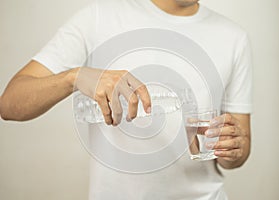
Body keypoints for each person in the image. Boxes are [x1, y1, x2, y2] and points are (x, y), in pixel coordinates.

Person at [0, 0, 252, 199]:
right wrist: (74, 77)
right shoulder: (98, 17)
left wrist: (234, 149)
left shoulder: (234, 37)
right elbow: (9, 104)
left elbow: (237, 150)